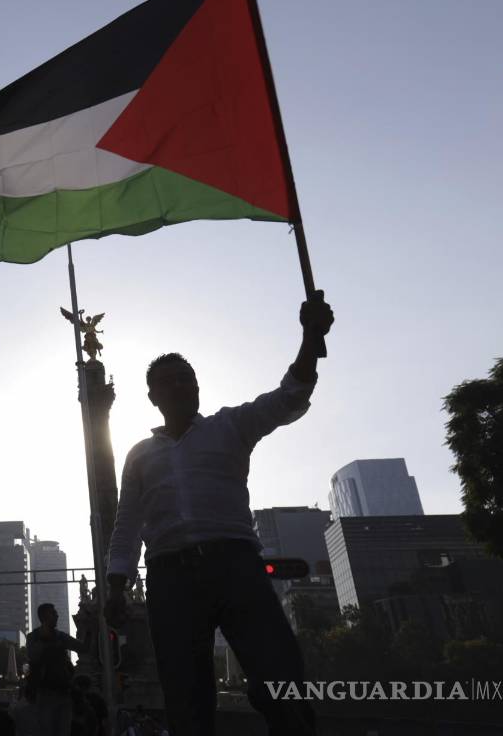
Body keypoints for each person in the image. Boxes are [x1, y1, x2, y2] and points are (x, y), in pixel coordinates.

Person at [104, 293, 334, 736]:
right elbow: (127, 524)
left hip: (236, 565)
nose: (178, 386)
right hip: (169, 576)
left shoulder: (231, 425)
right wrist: (117, 585)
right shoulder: (138, 455)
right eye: (167, 382)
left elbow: (289, 396)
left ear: (197, 385)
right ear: (152, 396)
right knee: (185, 696)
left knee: (280, 675)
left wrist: (310, 337)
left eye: (185, 378)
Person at [25, 603, 84, 736]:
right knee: (47, 730)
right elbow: (32, 656)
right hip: (45, 692)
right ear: (44, 617)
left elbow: (81, 647)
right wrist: (44, 641)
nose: (57, 615)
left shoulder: (60, 636)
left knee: (63, 730)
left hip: (63, 690)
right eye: (53, 613)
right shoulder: (33, 637)